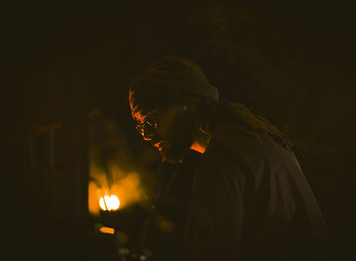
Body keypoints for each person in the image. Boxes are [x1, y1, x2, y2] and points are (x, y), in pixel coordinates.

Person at [129, 56, 333, 261]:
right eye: (140, 127)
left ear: (188, 103)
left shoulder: (225, 158)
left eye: (151, 119)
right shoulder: (257, 137)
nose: (147, 135)